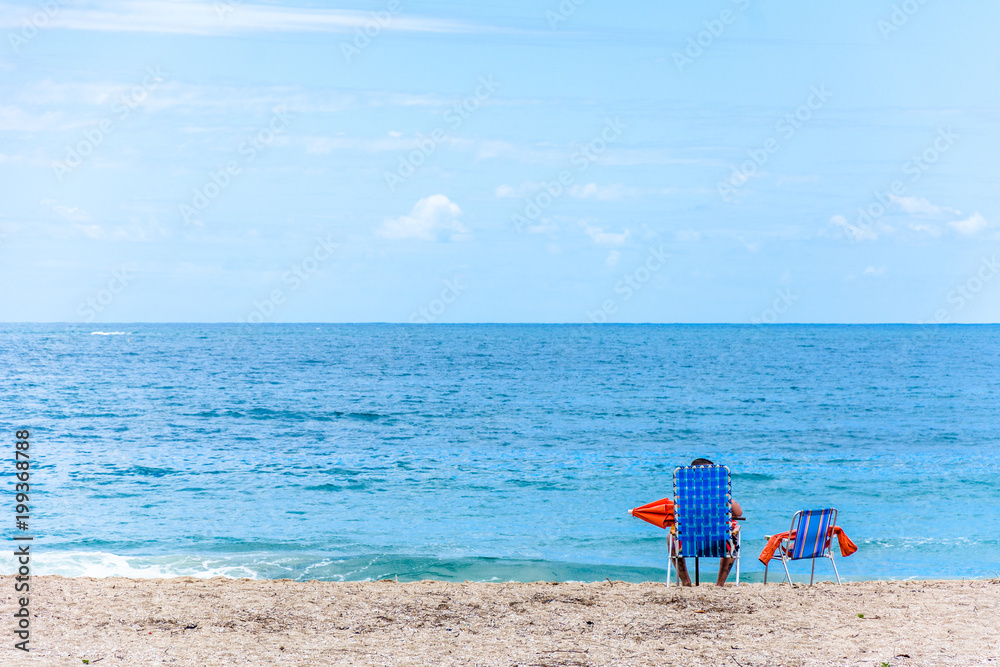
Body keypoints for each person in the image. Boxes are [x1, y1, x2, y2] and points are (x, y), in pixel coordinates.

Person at [672, 458, 743, 587]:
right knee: (733, 535)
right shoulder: (721, 494)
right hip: (718, 541)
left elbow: (675, 514)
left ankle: (685, 581)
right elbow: (738, 513)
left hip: (689, 542)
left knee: (671, 537)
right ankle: (720, 584)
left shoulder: (684, 495)